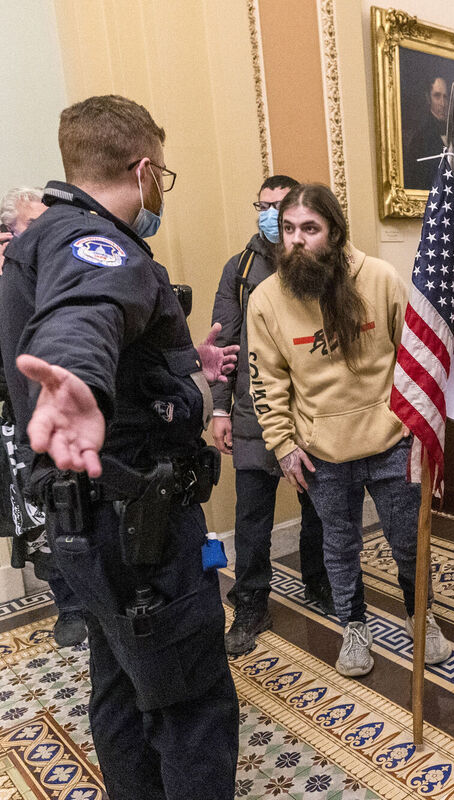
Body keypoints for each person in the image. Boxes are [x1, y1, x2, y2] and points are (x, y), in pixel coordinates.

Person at [0, 94, 240, 799]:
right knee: (191, 705)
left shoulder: (38, 240)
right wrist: (76, 376)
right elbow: (86, 309)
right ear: (144, 169)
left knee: (120, 685)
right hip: (143, 531)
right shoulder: (96, 243)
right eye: (162, 172)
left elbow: (100, 325)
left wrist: (179, 361)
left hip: (87, 526)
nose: (161, 186)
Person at [245, 183, 451, 678]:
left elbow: (416, 359)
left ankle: (420, 615)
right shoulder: (265, 300)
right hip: (321, 451)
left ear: (334, 233)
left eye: (310, 230)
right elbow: (265, 381)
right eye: (288, 229)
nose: (296, 241)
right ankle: (353, 625)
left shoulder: (379, 279)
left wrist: (420, 431)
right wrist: (284, 445)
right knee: (339, 545)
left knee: (408, 539)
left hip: (391, 440)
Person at [210, 174, 334, 658]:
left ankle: (320, 583)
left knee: (318, 508)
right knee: (252, 515)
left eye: (279, 207)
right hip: (251, 412)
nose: (271, 216)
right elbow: (222, 343)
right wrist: (219, 408)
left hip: (311, 410)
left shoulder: (320, 264)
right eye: (262, 206)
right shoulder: (239, 269)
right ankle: (251, 603)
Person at [0, 186, 87, 647]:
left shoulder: (62, 276)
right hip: (17, 427)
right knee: (38, 525)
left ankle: (89, 603)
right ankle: (68, 606)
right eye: (26, 228)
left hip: (65, 423)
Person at [404, 75, 454, 194]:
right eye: (437, 96)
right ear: (428, 98)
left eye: (445, 97)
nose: (443, 104)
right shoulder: (420, 139)